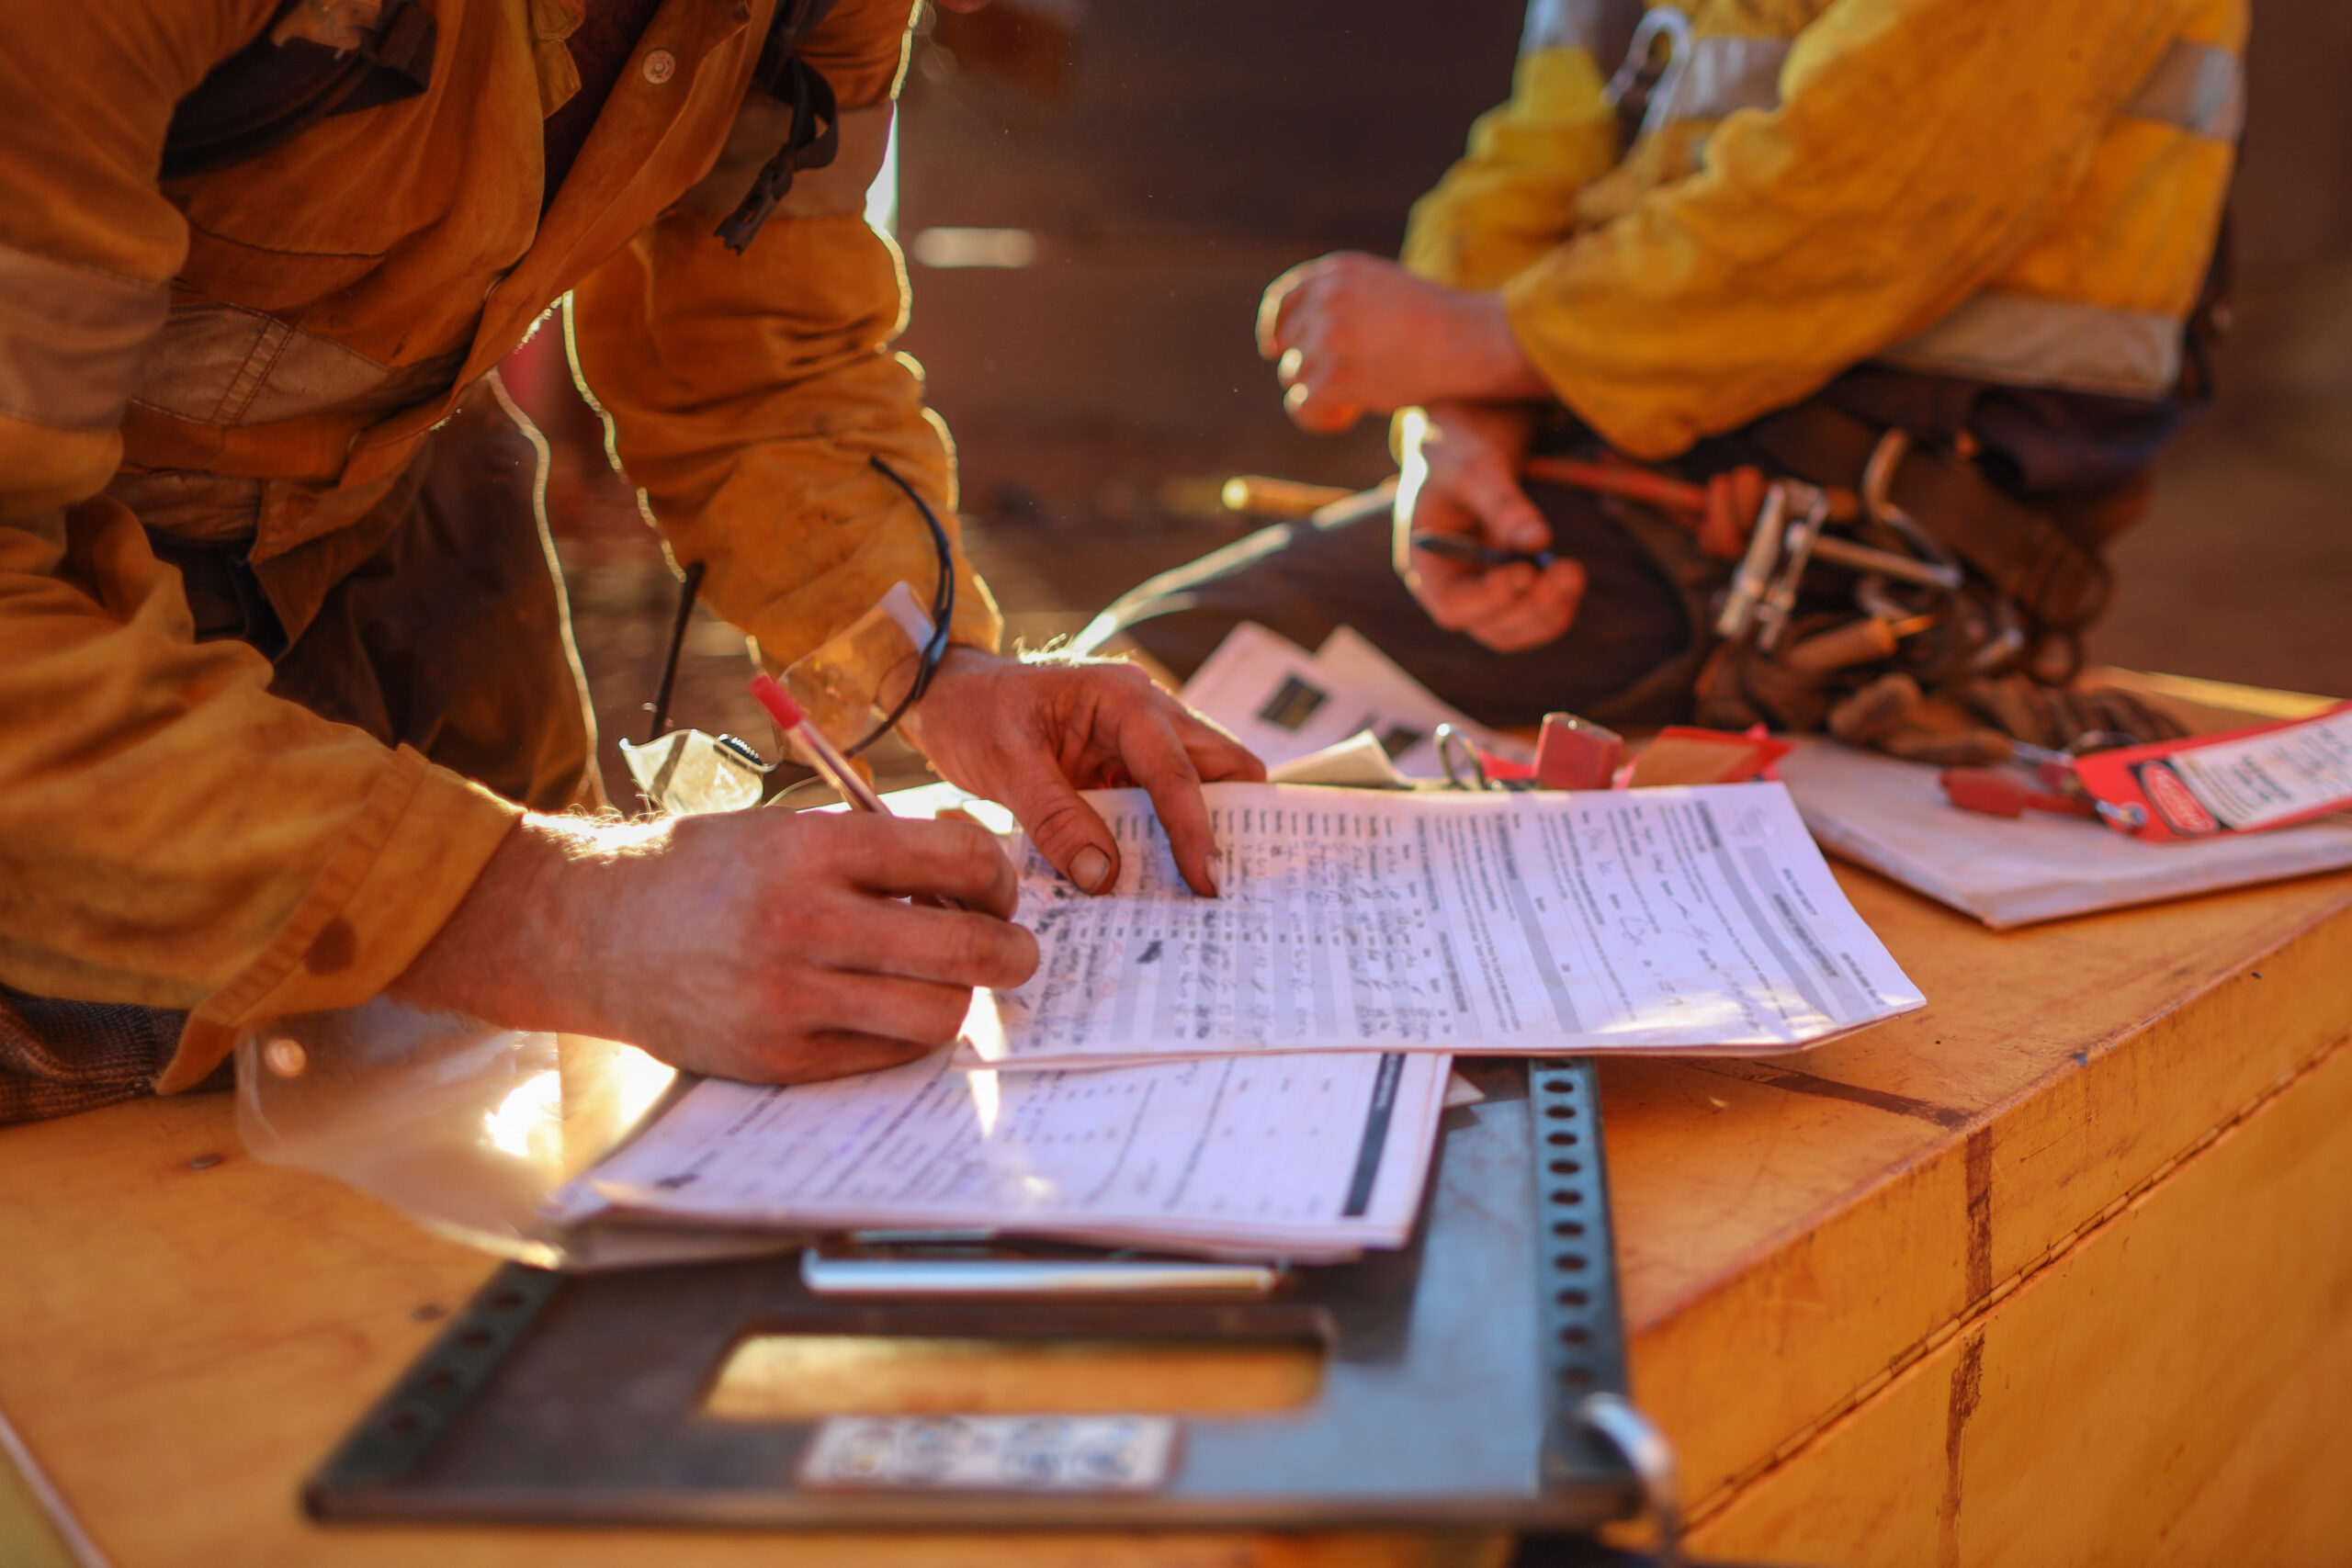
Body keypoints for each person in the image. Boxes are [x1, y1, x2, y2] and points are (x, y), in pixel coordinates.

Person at [0, 0, 1257, 1123]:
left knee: (478, 1124)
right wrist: (553, 911)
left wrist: (937, 673)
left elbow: (761, 360)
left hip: (401, 519)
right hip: (59, 675)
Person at [1089, 0, 2242, 753]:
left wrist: (1481, 342)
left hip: (1870, 552)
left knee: (1142, 692)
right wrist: (1463, 429)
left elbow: (1870, 198)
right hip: (1621, 482)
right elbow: (1528, 161)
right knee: (1116, 706)